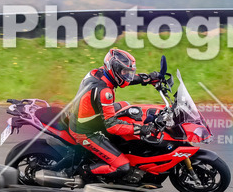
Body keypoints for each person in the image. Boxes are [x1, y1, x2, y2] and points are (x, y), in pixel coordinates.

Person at [65, 48, 164, 182]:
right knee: (123, 167)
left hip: (89, 114)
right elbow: (112, 127)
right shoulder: (105, 92)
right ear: (114, 70)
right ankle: (84, 171)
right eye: (124, 72)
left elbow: (123, 78)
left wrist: (146, 79)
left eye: (129, 72)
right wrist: (139, 129)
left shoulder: (100, 72)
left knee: (127, 106)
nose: (127, 76)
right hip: (85, 131)